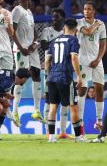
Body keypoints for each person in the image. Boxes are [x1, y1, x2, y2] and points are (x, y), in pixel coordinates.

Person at [45, 18, 87, 143]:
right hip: (65, 77)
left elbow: (47, 61)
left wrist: (49, 74)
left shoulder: (53, 41)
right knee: (73, 107)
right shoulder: (73, 40)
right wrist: (79, 76)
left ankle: (51, 137)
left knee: (53, 107)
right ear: (76, 30)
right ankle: (78, 137)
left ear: (64, 28)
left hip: (52, 78)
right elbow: (74, 58)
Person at [11, 0, 43, 125]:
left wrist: (35, 44)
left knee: (36, 74)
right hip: (21, 48)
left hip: (31, 48)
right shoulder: (17, 10)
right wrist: (20, 47)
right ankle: (15, 112)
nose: (29, 1)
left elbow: (34, 31)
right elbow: (12, 30)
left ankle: (36, 110)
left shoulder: (29, 12)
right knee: (21, 79)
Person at [76, 1, 107, 132]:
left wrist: (98, 59)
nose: (86, 11)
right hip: (82, 60)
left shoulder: (102, 24)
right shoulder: (79, 23)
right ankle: (80, 122)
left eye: (89, 9)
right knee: (82, 89)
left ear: (94, 11)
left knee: (99, 88)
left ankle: (99, 120)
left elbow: (103, 44)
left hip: (96, 61)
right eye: (85, 9)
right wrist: (96, 24)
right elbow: (88, 32)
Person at [40, 8, 71, 139]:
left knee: (65, 102)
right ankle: (48, 131)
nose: (54, 20)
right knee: (49, 100)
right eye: (52, 17)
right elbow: (43, 46)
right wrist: (60, 42)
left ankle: (63, 131)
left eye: (56, 17)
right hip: (50, 70)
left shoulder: (67, 31)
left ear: (63, 18)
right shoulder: (47, 31)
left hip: (64, 70)